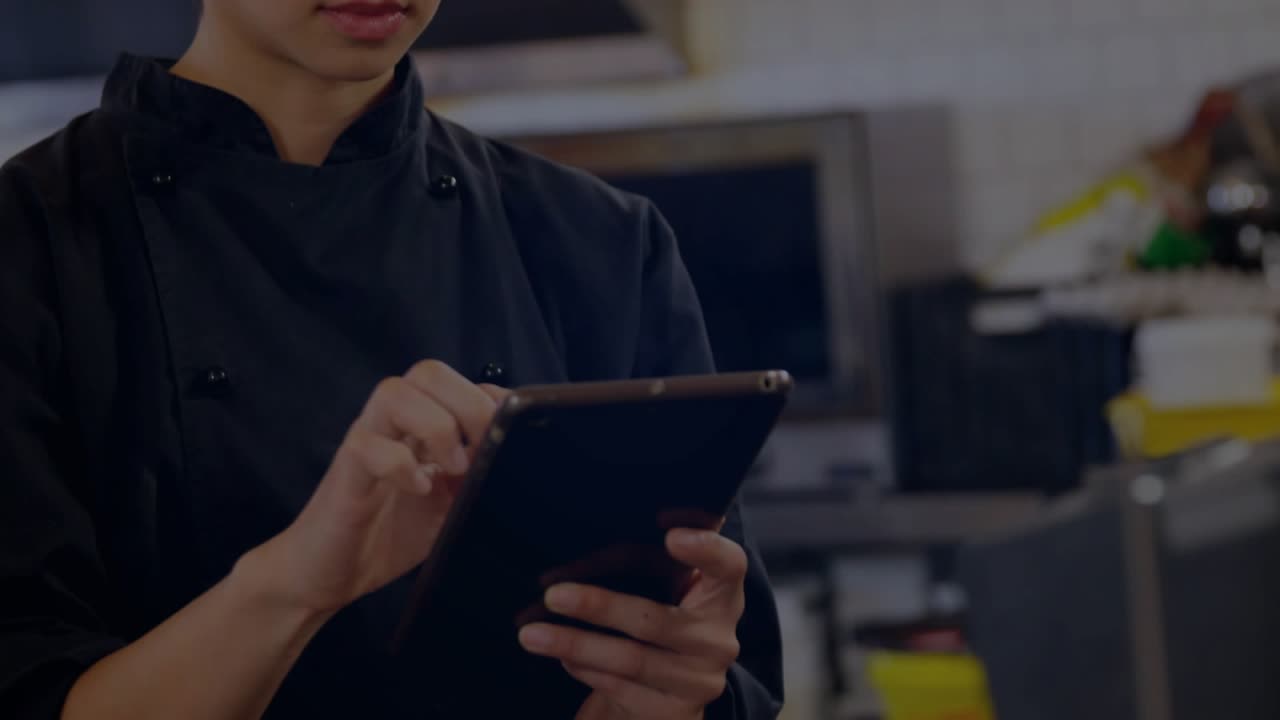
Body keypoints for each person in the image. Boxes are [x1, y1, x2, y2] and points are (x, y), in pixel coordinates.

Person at [0, 1, 784, 718]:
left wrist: (661, 692)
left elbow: (727, 677)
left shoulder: (602, 244)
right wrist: (296, 582)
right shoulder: (31, 248)